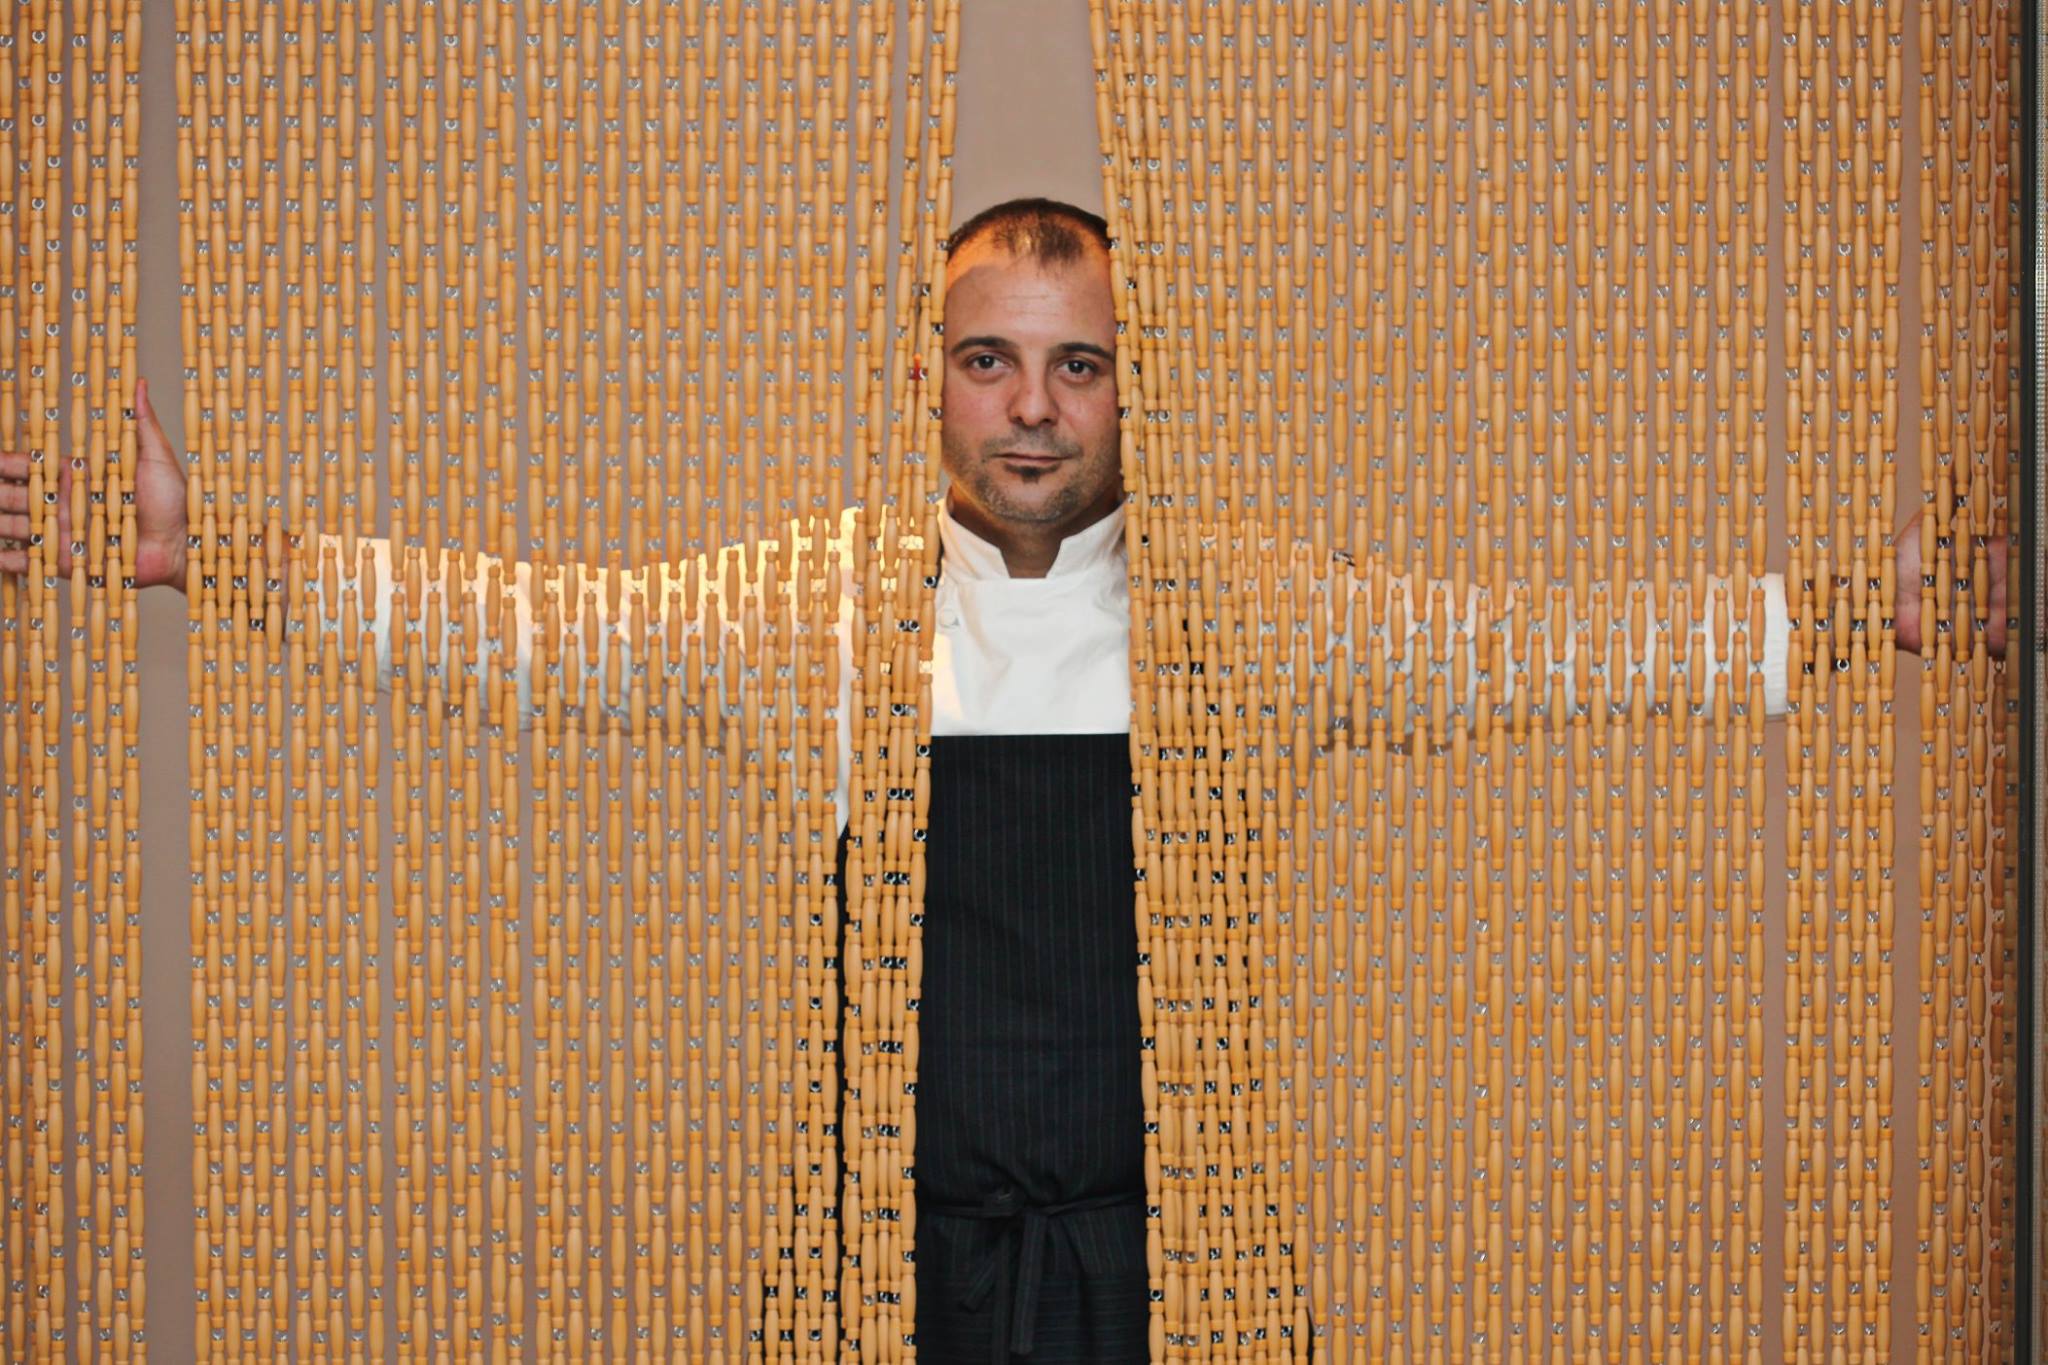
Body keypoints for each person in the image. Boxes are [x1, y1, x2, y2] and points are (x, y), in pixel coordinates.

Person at [0, 196, 2015, 1362]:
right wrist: (213, 554)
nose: (1033, 409)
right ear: (930, 376)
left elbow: (1535, 650)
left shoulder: (1252, 614)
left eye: (1079, 362)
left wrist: (1870, 610)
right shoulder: (811, 609)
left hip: (1183, 1277)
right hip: (884, 1280)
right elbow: (533, 624)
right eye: (991, 359)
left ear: (1137, 380)